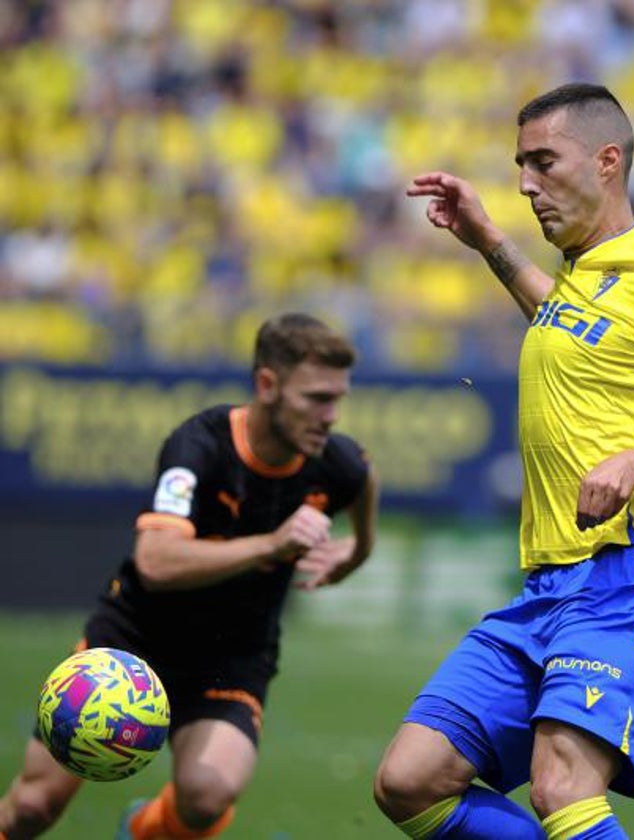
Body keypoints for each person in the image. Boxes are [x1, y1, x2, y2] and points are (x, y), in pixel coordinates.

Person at [374, 83, 634, 839]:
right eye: (519, 165)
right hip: (548, 586)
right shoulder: (582, 279)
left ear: (607, 161)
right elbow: (563, 318)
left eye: (543, 161)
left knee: (562, 787)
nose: (524, 184)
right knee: (410, 781)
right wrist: (488, 239)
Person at [0, 313, 379, 840]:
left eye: (338, 399)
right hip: (133, 644)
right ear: (267, 385)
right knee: (33, 807)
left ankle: (143, 830)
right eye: (316, 398)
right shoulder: (199, 446)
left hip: (233, 658)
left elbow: (364, 477)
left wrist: (357, 551)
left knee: (207, 795)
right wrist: (273, 543)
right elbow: (155, 561)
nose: (331, 416)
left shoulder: (334, 462)